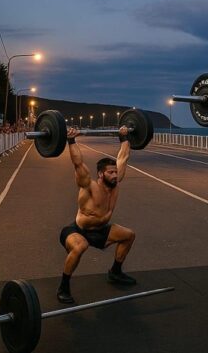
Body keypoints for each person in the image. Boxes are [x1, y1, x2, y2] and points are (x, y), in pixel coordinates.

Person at [57, 126, 136, 305]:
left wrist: (123, 137)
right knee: (80, 247)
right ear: (100, 174)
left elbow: (123, 156)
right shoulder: (89, 186)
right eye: (111, 172)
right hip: (79, 230)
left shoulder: (115, 183)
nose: (115, 175)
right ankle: (64, 286)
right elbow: (78, 163)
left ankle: (115, 272)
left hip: (101, 230)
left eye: (116, 172)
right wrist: (71, 140)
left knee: (129, 235)